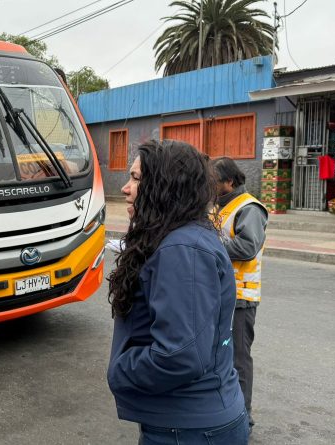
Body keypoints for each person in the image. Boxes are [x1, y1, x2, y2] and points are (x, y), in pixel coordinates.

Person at [107, 140, 248, 445]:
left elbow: (180, 356)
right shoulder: (179, 238)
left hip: (189, 430)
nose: (125, 188)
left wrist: (121, 370)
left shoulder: (182, 248)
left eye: (136, 178)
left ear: (165, 185)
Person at [211, 157, 269, 434]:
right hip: (221, 293)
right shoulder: (221, 206)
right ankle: (224, 408)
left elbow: (247, 247)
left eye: (214, 181)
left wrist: (209, 242)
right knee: (219, 354)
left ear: (230, 182)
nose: (209, 185)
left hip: (241, 297)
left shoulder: (250, 208)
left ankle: (243, 415)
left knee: (238, 358)